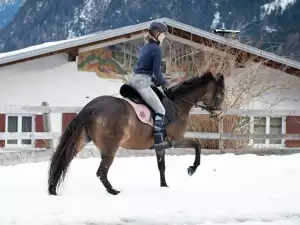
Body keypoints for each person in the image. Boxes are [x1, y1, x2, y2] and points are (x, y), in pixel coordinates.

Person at [128, 20, 170, 150]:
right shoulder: (156, 49)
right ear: (157, 34)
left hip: (133, 80)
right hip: (142, 84)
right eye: (164, 34)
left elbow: (144, 69)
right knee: (161, 110)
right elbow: (157, 72)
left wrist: (155, 80)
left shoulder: (145, 46)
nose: (165, 36)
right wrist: (164, 83)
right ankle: (158, 140)